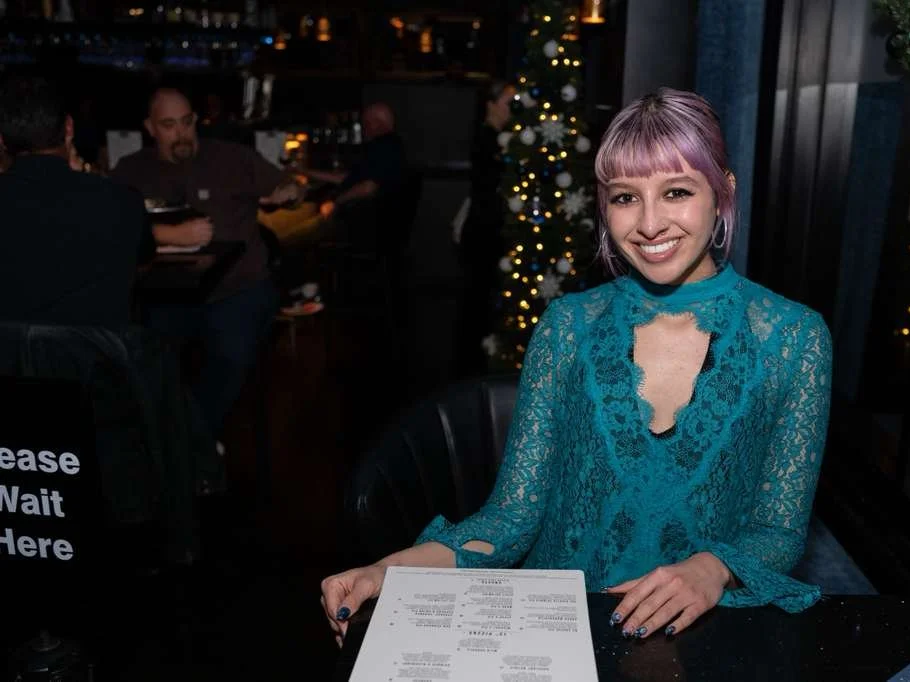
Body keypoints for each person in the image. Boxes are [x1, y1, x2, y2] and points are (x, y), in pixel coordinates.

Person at [320, 88, 833, 647]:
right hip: (557, 633)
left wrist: (711, 568)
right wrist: (389, 570)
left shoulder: (793, 338)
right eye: (624, 198)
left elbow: (778, 531)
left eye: (677, 192)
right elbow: (513, 518)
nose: (650, 223)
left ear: (723, 193)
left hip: (707, 634)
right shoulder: (569, 327)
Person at [111, 87, 302, 440]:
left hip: (237, 286)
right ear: (150, 128)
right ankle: (175, 443)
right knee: (145, 362)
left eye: (186, 123)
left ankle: (190, 443)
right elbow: (111, 228)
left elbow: (289, 187)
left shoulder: (232, 158)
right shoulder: (132, 169)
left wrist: (287, 195)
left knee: (229, 354)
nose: (181, 133)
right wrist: (168, 235)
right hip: (165, 292)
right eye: (169, 125)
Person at [0, 76, 153, 326]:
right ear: (69, 129)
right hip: (94, 361)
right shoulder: (122, 202)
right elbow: (141, 264)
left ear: (2, 141)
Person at [455, 80, 516, 377]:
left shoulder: (498, 138)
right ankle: (469, 370)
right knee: (476, 301)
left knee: (480, 299)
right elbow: (489, 187)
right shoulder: (486, 139)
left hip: (486, 230)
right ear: (491, 105)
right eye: (508, 102)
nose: (513, 109)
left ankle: (473, 364)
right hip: (482, 231)